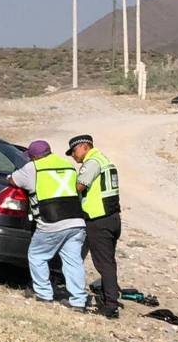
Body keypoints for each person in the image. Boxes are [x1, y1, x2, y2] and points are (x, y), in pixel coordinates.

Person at [8, 140, 88, 310]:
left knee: (37, 255)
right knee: (73, 261)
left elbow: (13, 180)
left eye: (31, 157)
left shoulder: (33, 168)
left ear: (35, 156)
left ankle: (44, 294)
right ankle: (78, 301)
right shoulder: (67, 165)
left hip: (52, 220)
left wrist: (9, 176)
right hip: (76, 220)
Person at [68, 133, 122, 319]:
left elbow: (79, 186)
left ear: (84, 146)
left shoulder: (92, 162)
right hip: (112, 218)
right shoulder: (105, 160)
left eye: (74, 151)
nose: (73, 156)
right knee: (108, 261)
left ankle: (110, 305)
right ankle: (110, 297)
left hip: (98, 219)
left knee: (104, 264)